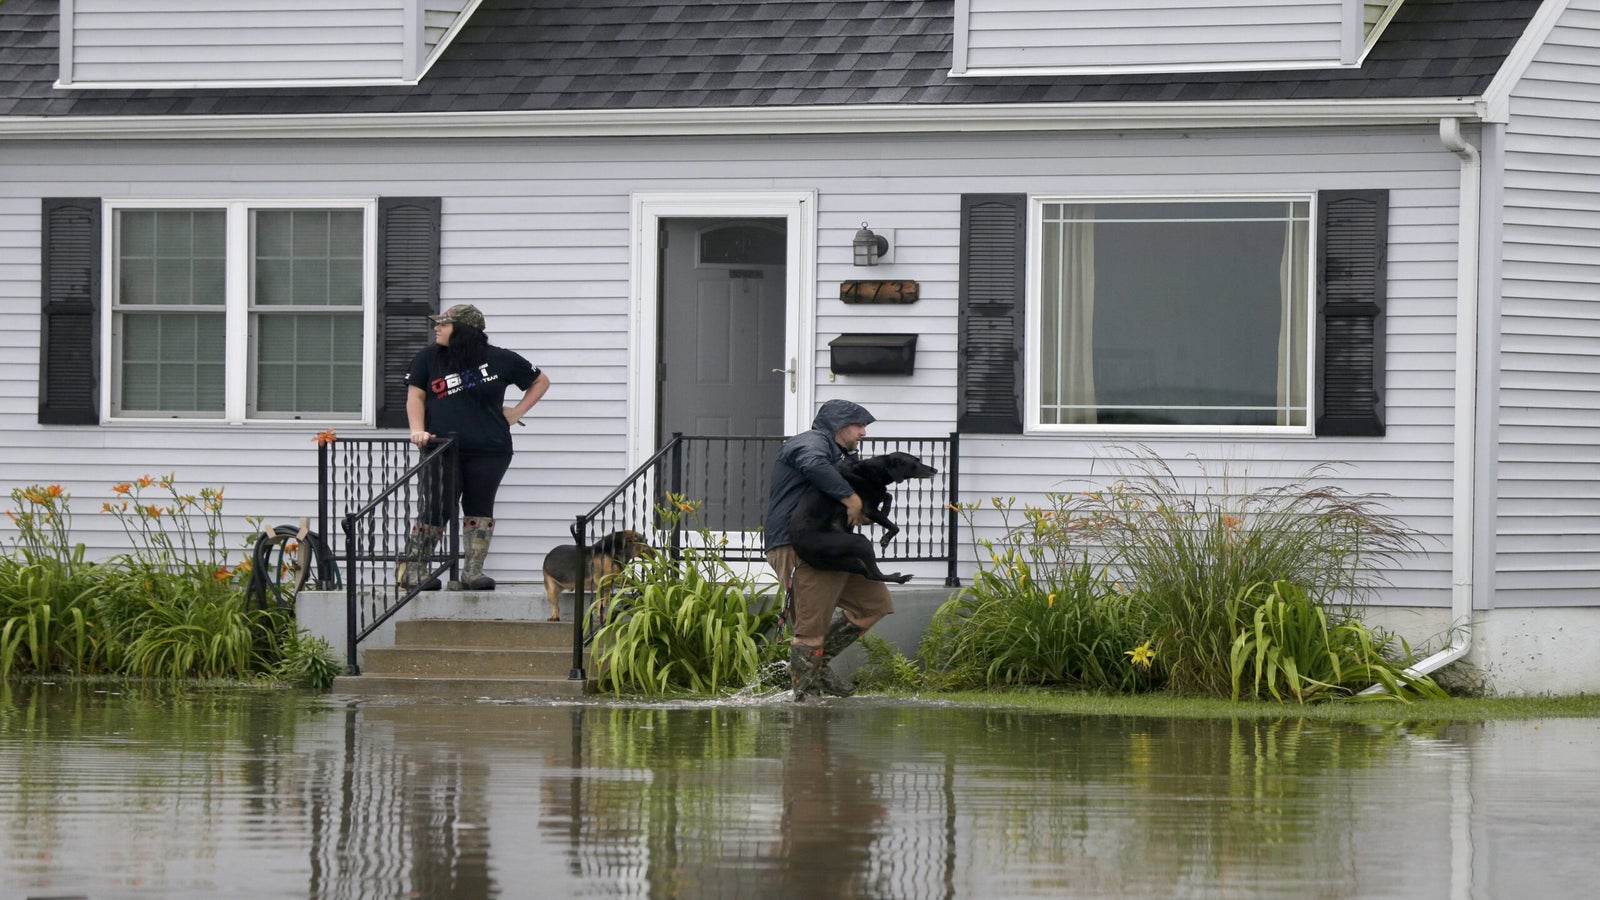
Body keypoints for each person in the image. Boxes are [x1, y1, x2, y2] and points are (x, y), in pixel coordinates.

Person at [397, 303, 550, 592]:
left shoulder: (501, 359)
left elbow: (540, 380)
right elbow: (415, 397)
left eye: (443, 324)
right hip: (440, 448)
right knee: (435, 508)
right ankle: (414, 571)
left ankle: (472, 573)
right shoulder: (428, 358)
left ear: (464, 330)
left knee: (480, 508)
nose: (436, 328)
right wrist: (417, 430)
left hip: (491, 449)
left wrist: (516, 413)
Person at [764, 398, 891, 700]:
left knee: (874, 603)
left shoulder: (838, 455)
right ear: (839, 425)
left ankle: (814, 668)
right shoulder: (809, 443)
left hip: (831, 546)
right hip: (801, 547)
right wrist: (851, 500)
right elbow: (813, 464)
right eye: (859, 426)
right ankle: (804, 709)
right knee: (811, 630)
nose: (864, 433)